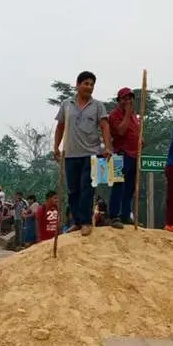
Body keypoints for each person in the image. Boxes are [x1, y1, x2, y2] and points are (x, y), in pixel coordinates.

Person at [53, 71, 113, 237]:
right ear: (78, 85)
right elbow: (60, 126)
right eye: (86, 83)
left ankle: (86, 222)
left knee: (87, 188)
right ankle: (77, 222)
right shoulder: (67, 104)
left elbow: (105, 126)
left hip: (92, 154)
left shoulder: (98, 106)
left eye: (92, 84)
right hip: (71, 154)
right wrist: (56, 147)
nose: (89, 87)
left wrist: (107, 147)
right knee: (73, 190)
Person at [108, 87, 141, 229]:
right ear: (119, 100)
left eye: (130, 98)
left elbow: (135, 132)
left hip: (134, 155)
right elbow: (120, 131)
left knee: (130, 188)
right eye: (125, 98)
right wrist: (127, 113)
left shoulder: (135, 116)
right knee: (118, 185)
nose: (128, 101)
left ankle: (126, 216)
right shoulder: (114, 115)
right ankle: (114, 215)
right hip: (119, 154)